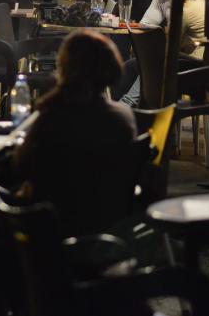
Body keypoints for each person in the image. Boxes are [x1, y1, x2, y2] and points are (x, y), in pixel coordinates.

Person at [14, 30, 137, 237]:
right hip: (107, 224)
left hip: (53, 226)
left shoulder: (52, 115)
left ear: (65, 67)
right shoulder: (124, 117)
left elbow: (21, 167)